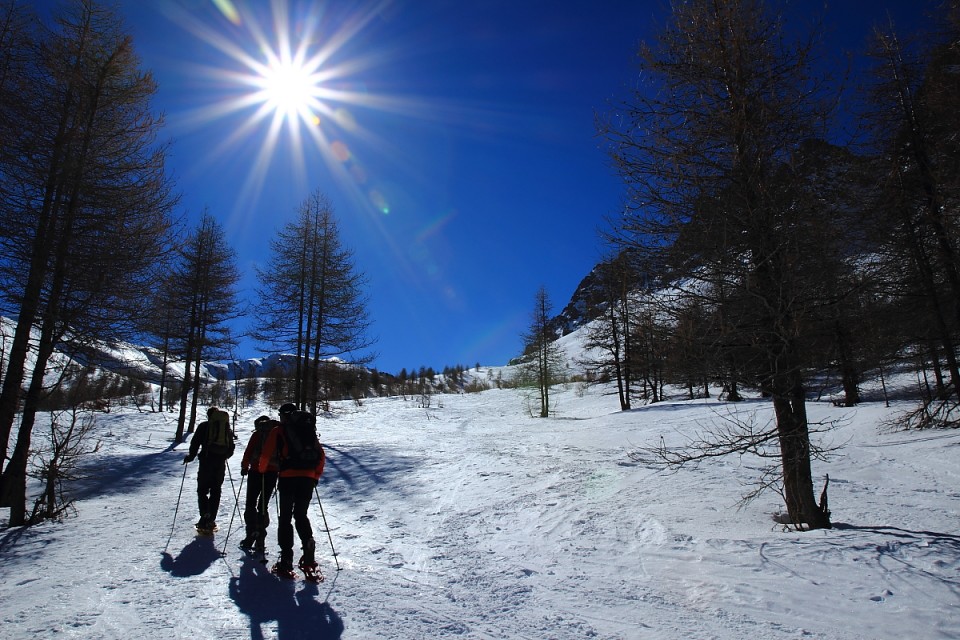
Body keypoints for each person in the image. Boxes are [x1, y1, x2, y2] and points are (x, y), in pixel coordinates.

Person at [258, 402, 325, 576]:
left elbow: (266, 454)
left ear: (283, 415)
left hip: (288, 477)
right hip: (308, 478)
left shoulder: (279, 430)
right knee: (301, 514)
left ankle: (286, 559)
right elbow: (321, 456)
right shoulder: (308, 430)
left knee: (285, 517)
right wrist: (315, 476)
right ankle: (308, 544)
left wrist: (262, 469)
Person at [183, 406, 236, 532]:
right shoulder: (226, 428)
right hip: (220, 463)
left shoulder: (204, 426)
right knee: (216, 490)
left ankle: (204, 515)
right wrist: (224, 456)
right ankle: (211, 519)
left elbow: (195, 443)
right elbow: (231, 448)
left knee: (202, 490)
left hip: (206, 462)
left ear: (209, 416)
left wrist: (190, 457)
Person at [239, 415, 280, 553]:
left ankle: (251, 532)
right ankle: (261, 538)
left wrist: (245, 466)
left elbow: (248, 451)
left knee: (250, 503)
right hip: (272, 472)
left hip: (256, 471)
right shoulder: (277, 433)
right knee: (263, 504)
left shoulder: (257, 434)